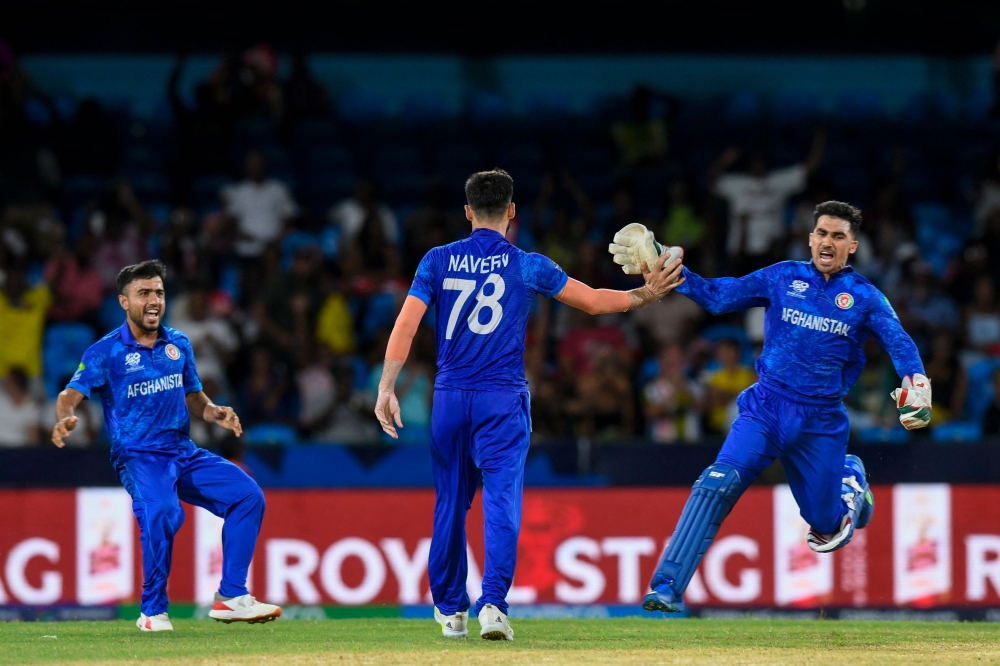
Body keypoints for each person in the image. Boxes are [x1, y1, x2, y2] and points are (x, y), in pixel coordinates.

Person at [373, 169, 683, 640]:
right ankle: (493, 606)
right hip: (501, 400)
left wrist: (386, 389)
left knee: (450, 503)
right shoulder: (529, 264)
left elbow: (407, 325)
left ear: (468, 212)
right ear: (513, 212)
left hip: (451, 399)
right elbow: (596, 303)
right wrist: (647, 293)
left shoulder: (436, 260)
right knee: (501, 503)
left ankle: (451, 610)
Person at [609, 201, 930, 614]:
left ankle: (851, 484)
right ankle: (667, 588)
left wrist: (916, 383)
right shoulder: (783, 277)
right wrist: (674, 271)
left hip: (821, 421)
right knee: (717, 482)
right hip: (767, 407)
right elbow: (721, 297)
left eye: (837, 236)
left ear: (852, 246)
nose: (827, 242)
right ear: (811, 238)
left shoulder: (866, 297)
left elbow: (899, 342)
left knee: (825, 528)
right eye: (821, 233)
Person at [51, 260, 281, 632]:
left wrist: (213, 411)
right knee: (162, 513)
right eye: (144, 293)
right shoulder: (105, 351)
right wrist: (64, 416)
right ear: (124, 302)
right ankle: (152, 612)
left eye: (158, 292)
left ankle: (231, 597)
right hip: (139, 456)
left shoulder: (178, 343)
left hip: (183, 452)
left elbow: (193, 396)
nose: (154, 300)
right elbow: (70, 393)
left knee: (247, 495)